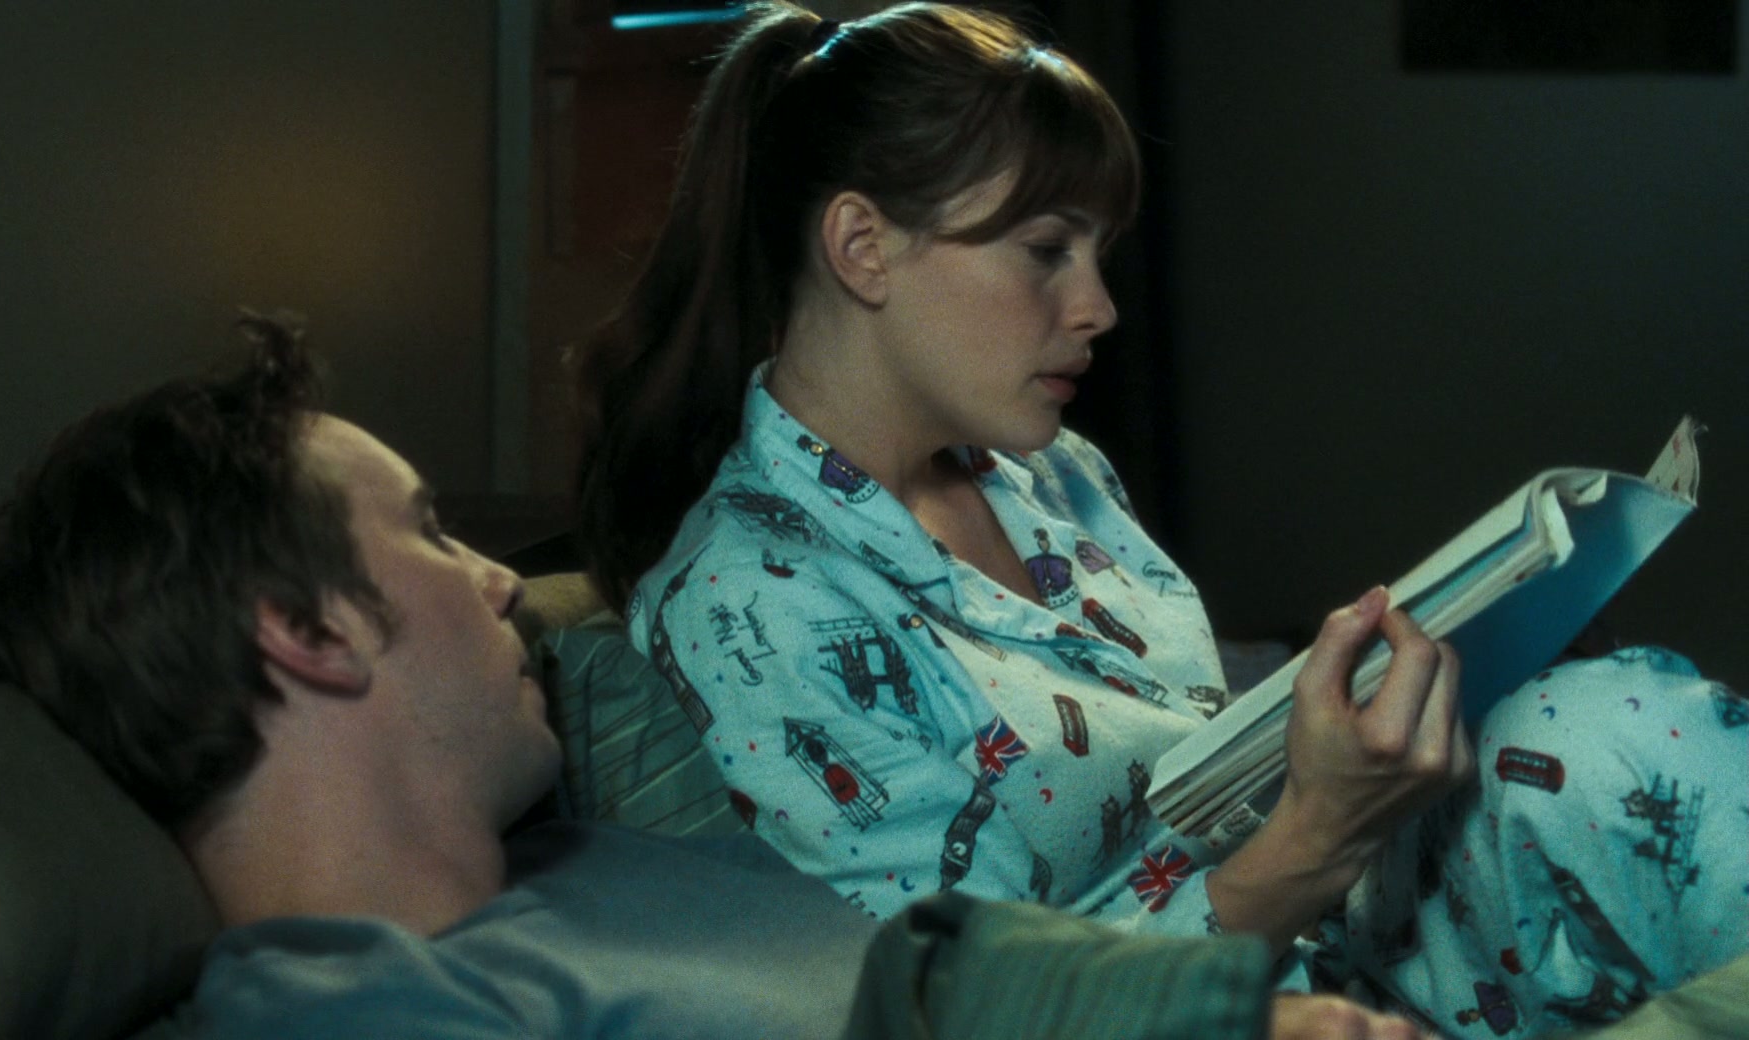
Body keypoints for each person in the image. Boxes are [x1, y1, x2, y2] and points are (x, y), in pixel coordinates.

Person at [572, 4, 1748, 1037]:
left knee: (1603, 726)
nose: (1097, 306)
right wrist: (1320, 832)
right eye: (1046, 251)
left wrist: (1420, 679)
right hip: (1219, 1005)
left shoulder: (1053, 471)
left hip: (1347, 929)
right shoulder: (748, 600)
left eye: (1098, 253)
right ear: (862, 246)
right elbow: (988, 1010)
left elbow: (1194, 757)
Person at [0, 313, 1443, 1039]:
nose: (496, 580)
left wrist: (1231, 1017)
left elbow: (931, 974)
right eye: (429, 530)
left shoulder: (608, 857)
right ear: (308, 630)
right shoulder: (340, 1013)